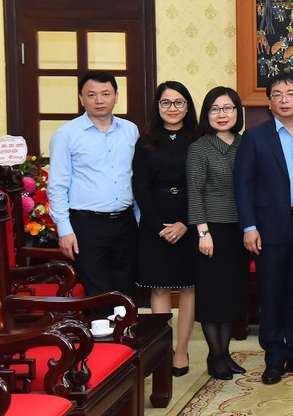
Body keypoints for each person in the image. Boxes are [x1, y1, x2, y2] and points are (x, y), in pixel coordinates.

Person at [234, 72, 293, 385]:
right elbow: (242, 185)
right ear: (268, 101)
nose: (284, 100)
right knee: (271, 294)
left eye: (290, 93)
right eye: (277, 94)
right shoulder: (255, 137)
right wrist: (249, 226)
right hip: (269, 228)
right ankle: (274, 357)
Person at [48, 70, 139, 301]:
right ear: (81, 98)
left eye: (106, 94)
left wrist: (138, 217)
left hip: (126, 222)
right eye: (92, 95)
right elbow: (57, 185)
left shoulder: (131, 130)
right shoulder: (66, 134)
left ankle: (123, 336)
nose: (99, 100)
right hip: (87, 225)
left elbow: (136, 176)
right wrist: (64, 229)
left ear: (116, 96)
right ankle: (102, 336)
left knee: (126, 288)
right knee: (97, 291)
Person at [133, 81, 198, 377]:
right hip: (154, 221)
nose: (172, 109)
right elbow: (140, 186)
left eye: (178, 102)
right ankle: (162, 349)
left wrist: (185, 222)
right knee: (158, 286)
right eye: (166, 103)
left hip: (189, 215)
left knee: (187, 286)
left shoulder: (198, 138)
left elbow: (201, 184)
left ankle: (182, 350)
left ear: (188, 106)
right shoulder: (145, 139)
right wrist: (158, 224)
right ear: (157, 107)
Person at [187, 86, 249, 381]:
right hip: (211, 230)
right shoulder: (199, 147)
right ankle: (216, 357)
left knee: (231, 294)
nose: (222, 114)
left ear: (238, 112)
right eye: (215, 109)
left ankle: (224, 354)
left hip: (240, 229)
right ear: (206, 114)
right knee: (212, 296)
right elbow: (194, 193)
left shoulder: (245, 144)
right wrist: (202, 233)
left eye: (228, 108)